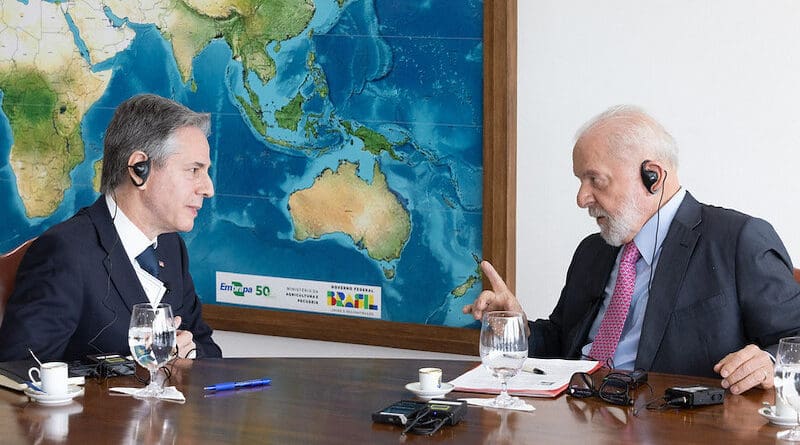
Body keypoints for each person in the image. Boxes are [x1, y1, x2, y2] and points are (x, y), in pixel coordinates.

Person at [464, 105, 800, 394]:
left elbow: (794, 340)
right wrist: (515, 326)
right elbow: (561, 342)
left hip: (675, 428)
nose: (581, 198)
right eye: (580, 181)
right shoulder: (592, 251)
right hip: (577, 419)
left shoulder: (738, 239)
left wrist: (770, 363)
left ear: (651, 175)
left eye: (595, 180)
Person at [0, 94, 222, 361]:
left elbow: (208, 349)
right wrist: (132, 364)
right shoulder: (65, 253)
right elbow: (20, 374)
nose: (208, 189)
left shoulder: (171, 247)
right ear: (140, 169)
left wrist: (190, 351)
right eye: (194, 170)